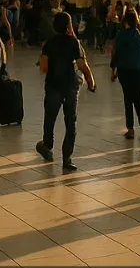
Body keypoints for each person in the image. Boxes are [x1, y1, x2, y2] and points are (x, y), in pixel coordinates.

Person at [36, 12, 96, 173]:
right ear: (69, 26)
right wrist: (91, 82)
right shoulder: (73, 42)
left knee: (50, 118)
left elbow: (43, 68)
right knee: (71, 122)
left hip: (53, 86)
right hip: (69, 87)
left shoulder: (49, 44)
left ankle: (47, 145)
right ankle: (67, 158)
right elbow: (82, 65)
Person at [110, 10, 140, 140]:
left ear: (125, 21)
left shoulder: (120, 35)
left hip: (124, 71)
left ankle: (130, 129)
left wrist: (113, 71)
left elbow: (116, 55)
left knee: (128, 99)